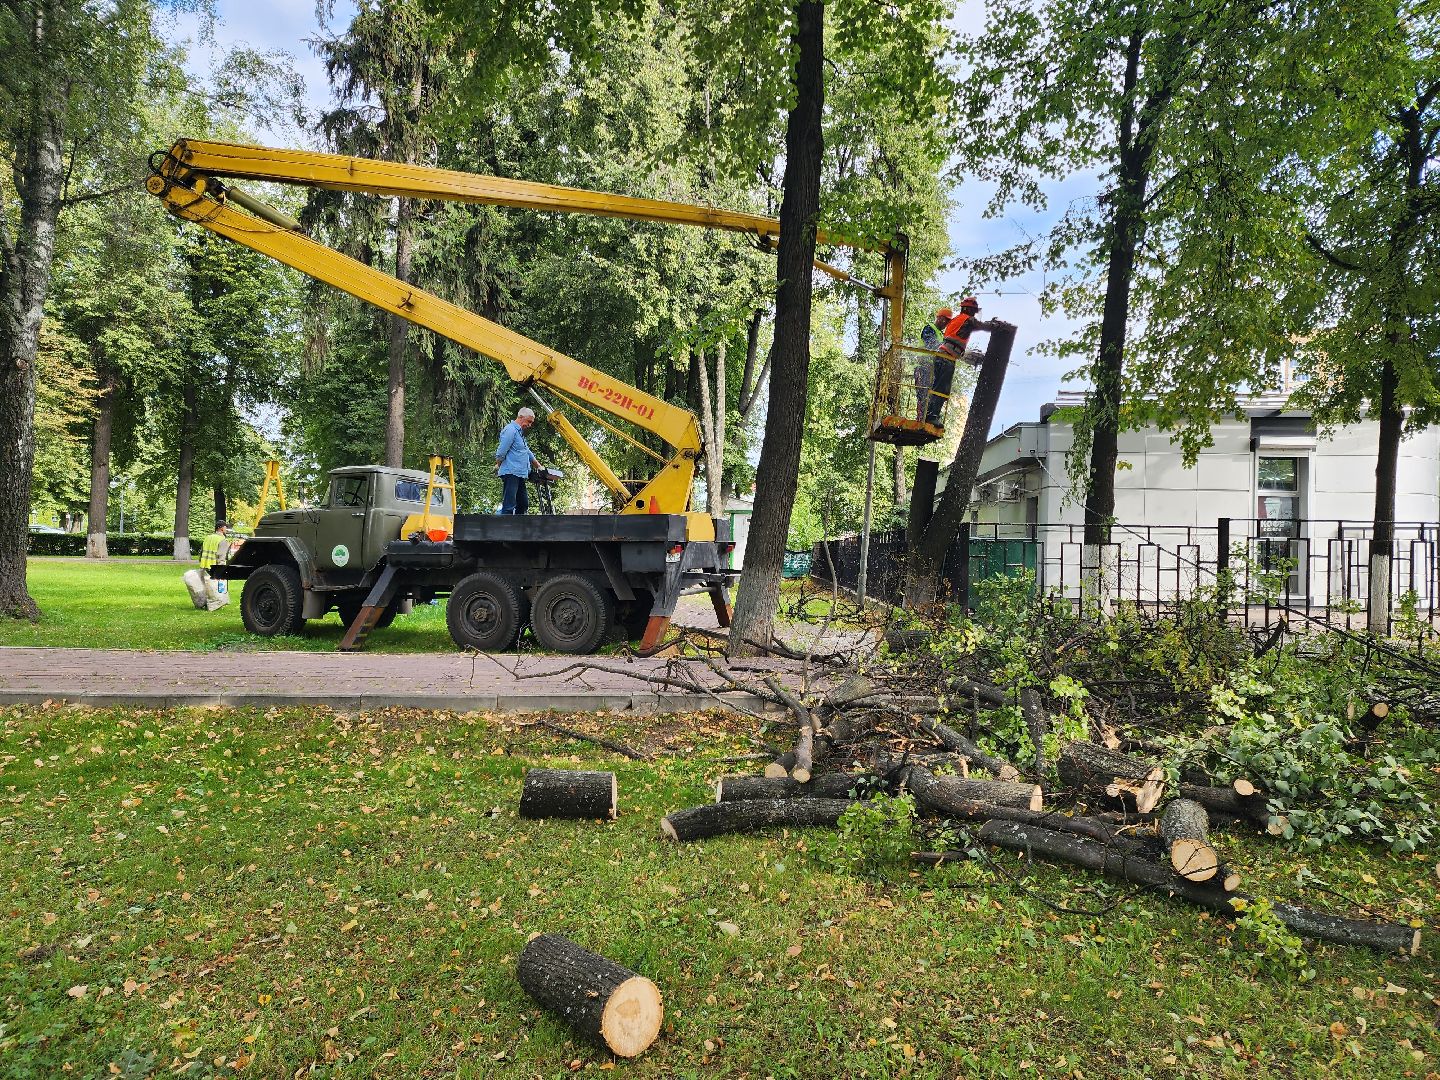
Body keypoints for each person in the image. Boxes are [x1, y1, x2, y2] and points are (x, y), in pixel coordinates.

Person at [927, 296, 982, 425]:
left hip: (943, 356)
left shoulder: (956, 320)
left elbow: (954, 341)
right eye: (974, 311)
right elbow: (982, 325)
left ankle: (931, 414)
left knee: (939, 387)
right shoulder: (967, 319)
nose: (974, 314)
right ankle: (931, 416)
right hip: (946, 358)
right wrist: (996, 326)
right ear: (968, 309)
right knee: (942, 388)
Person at [495, 407, 541, 515]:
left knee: (523, 504)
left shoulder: (519, 433)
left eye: (531, 422)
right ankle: (506, 525)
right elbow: (501, 452)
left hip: (520, 474)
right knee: (509, 505)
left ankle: (520, 525)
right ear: (520, 417)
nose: (530, 425)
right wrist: (498, 464)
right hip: (511, 472)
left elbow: (527, 451)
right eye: (529, 421)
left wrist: (539, 466)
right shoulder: (510, 430)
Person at [915, 307, 951, 420]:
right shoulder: (929, 329)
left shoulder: (941, 335)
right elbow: (931, 344)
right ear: (939, 318)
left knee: (933, 395)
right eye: (944, 320)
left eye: (947, 321)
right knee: (923, 394)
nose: (945, 323)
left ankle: (930, 418)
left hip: (933, 369)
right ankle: (921, 420)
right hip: (923, 367)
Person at [198, 521, 231, 611]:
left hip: (205, 565)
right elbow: (221, 557)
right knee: (217, 587)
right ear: (220, 528)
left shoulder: (208, 538)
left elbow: (201, 553)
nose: (226, 529)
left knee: (207, 587)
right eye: (225, 527)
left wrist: (201, 563)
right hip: (215, 566)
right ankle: (216, 604)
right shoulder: (222, 540)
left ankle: (205, 603)